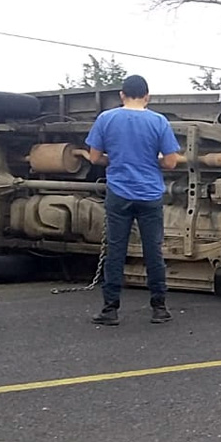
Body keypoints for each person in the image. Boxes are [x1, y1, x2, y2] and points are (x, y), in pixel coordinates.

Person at [85, 74, 180, 326]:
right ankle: (159, 307)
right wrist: (151, 161)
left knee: (116, 250)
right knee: (153, 251)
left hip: (119, 193)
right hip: (150, 194)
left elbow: (94, 158)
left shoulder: (106, 119)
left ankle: (110, 309)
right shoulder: (159, 121)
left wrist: (115, 159)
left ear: (121, 95)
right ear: (147, 97)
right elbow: (171, 162)